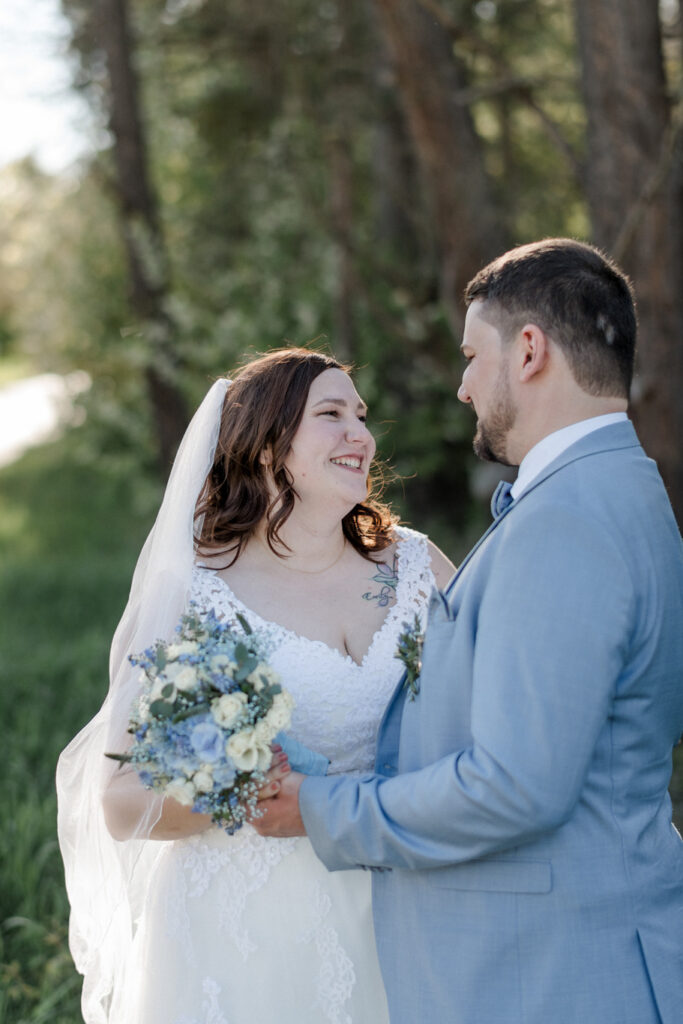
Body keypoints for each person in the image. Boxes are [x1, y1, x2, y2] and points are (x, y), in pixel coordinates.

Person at [254, 240, 683, 1024]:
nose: (461, 386)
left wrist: (321, 808)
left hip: (553, 976)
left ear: (528, 352)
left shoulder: (568, 521)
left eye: (469, 356)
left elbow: (514, 787)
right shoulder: (618, 489)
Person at [56, 347, 455, 1024]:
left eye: (360, 415)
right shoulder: (195, 594)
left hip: (400, 899)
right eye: (331, 415)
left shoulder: (417, 565)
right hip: (243, 933)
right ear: (268, 448)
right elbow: (121, 804)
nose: (360, 433)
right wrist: (239, 783)